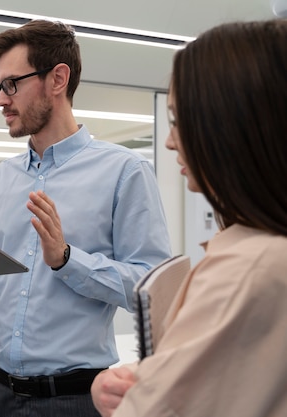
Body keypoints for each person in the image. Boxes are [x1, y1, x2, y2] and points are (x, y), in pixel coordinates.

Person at [0, 20, 171, 417]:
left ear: (58, 79)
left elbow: (149, 288)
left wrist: (67, 259)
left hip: (74, 398)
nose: (1, 100)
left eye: (11, 84)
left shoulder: (125, 171)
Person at [91, 19, 287, 417]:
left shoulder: (248, 268)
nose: (168, 140)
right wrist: (162, 373)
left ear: (229, 126)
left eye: (179, 120)